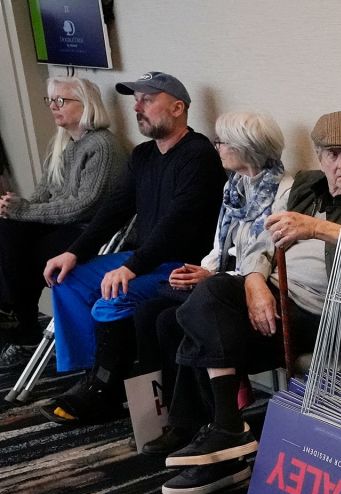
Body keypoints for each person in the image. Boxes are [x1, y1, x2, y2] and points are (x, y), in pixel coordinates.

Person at [157, 111, 341, 494]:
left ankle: (224, 437)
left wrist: (316, 228)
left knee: (202, 313)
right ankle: (221, 436)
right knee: (190, 311)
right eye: (332, 155)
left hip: (314, 316)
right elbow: (264, 241)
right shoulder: (305, 187)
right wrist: (256, 282)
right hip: (273, 300)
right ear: (319, 156)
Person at [39, 71, 225, 426]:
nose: (137, 107)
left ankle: (104, 389)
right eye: (135, 100)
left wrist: (132, 267)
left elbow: (177, 223)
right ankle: (95, 375)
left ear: (177, 107)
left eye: (147, 100)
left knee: (113, 295)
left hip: (180, 264)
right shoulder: (142, 155)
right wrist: (75, 252)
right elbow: (114, 209)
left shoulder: (198, 155)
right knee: (68, 278)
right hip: (146, 259)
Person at [132, 111, 288, 460]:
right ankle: (188, 421)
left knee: (178, 318)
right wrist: (202, 270)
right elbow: (223, 246)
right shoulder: (235, 185)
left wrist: (215, 278)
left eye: (222, 142)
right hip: (227, 282)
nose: (216, 146)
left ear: (246, 147)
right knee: (154, 313)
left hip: (258, 289)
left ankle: (215, 424)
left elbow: (264, 258)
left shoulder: (283, 191)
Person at [0, 77, 124, 363]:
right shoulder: (63, 144)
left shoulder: (101, 146)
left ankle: (18, 321)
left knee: (26, 255)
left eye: (62, 100)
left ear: (87, 105)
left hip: (90, 231)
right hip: (61, 225)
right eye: (51, 101)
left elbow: (83, 206)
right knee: (7, 231)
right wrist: (16, 207)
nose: (54, 107)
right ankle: (16, 316)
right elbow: (42, 196)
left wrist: (22, 211)